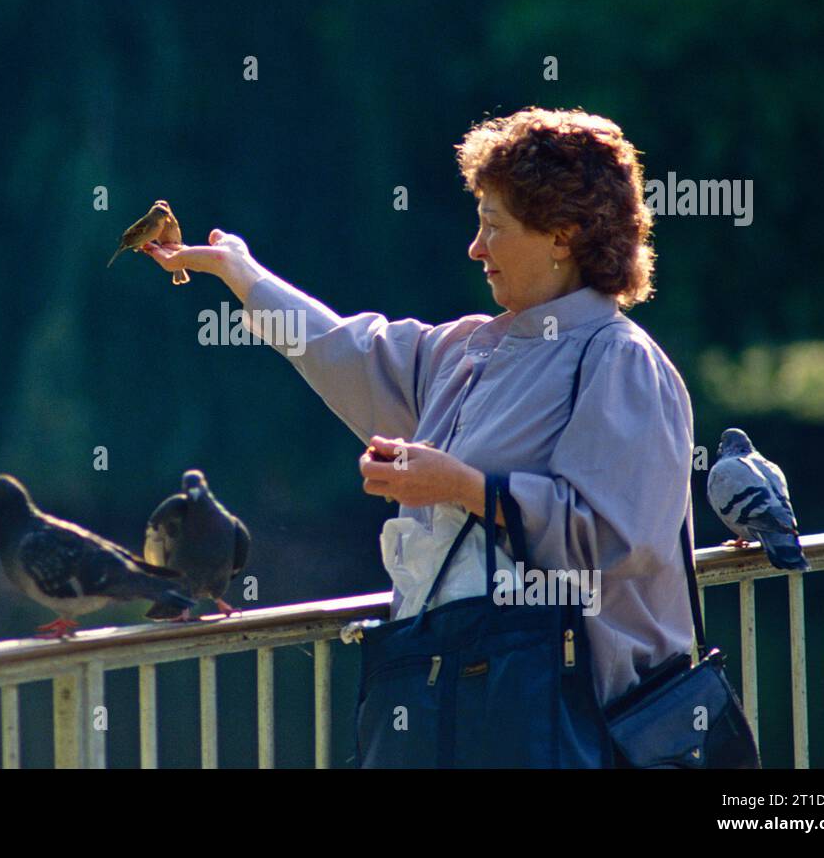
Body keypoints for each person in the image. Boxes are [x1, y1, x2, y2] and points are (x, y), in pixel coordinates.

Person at [146, 107, 694, 708]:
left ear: (562, 235)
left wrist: (463, 486)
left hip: (574, 720)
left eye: (492, 225)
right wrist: (241, 272)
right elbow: (348, 352)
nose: (475, 246)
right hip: (482, 708)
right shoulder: (471, 347)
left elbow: (620, 540)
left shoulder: (620, 363)